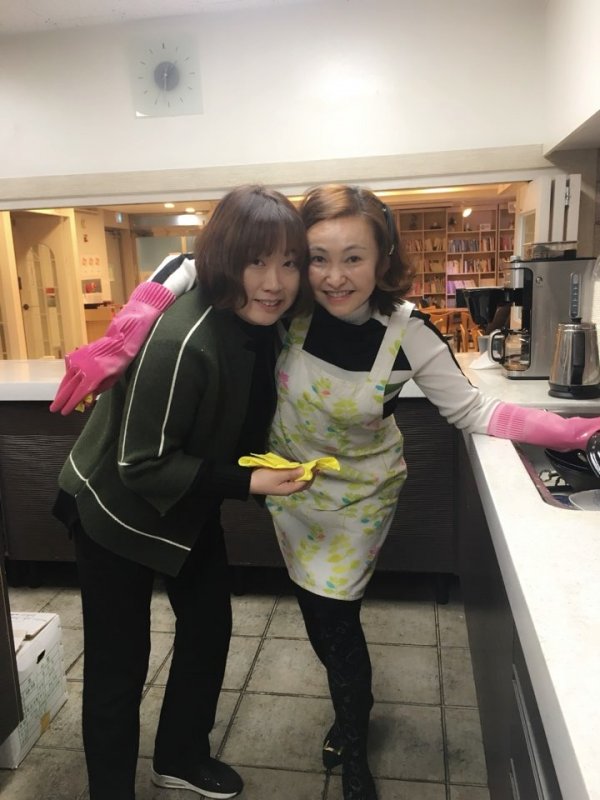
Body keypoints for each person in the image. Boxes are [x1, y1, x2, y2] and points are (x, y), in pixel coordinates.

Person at [51, 184, 600, 800]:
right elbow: (190, 269)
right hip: (155, 501)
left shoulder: (367, 322)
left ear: (383, 258)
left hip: (294, 500)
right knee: (124, 663)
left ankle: (226, 752)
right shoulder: (241, 318)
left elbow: (473, 408)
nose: (328, 277)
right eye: (316, 258)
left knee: (253, 627)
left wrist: (574, 430)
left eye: (349, 258)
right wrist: (125, 331)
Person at [52, 185, 314, 800]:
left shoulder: (262, 320)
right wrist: (249, 481)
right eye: (256, 261)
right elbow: (141, 465)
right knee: (120, 663)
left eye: (289, 263)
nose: (274, 282)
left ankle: (179, 755)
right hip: (113, 509)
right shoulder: (182, 340)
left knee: (208, 627)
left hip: (186, 505)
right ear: (226, 260)